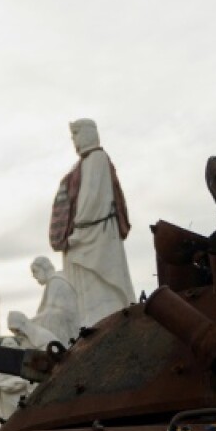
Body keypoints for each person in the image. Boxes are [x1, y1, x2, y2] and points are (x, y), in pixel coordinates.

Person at [53, 118, 137, 326]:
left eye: (77, 134)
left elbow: (91, 200)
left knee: (100, 285)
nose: (74, 140)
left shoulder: (97, 159)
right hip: (87, 234)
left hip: (95, 236)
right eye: (73, 136)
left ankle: (104, 319)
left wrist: (78, 233)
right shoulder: (82, 164)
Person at [30, 255, 79, 345]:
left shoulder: (56, 281)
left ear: (43, 268)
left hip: (67, 325)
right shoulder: (53, 282)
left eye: (35, 271)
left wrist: (29, 323)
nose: (34, 276)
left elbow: (49, 310)